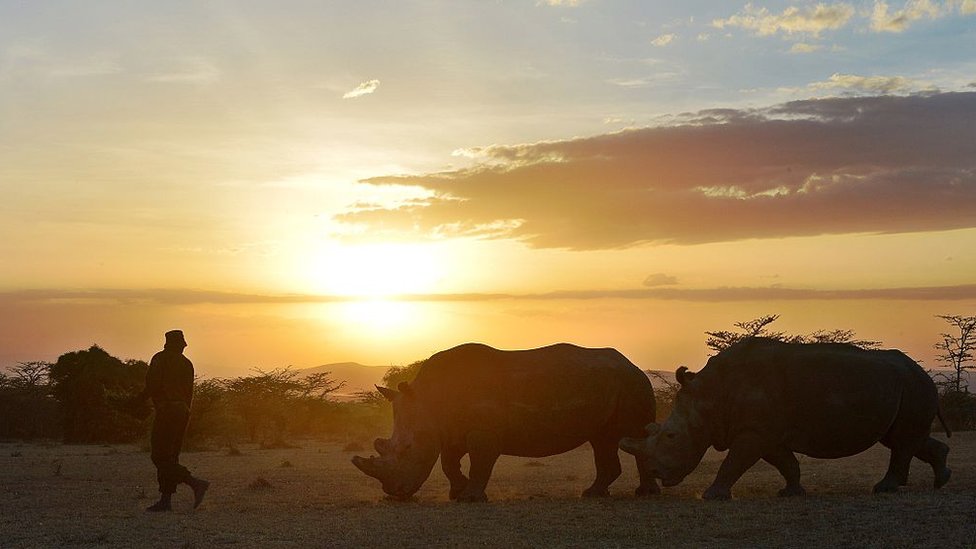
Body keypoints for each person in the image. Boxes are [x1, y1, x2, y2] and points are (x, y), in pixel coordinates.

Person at [133, 329, 209, 511]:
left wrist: (134, 402)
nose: (185, 346)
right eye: (183, 343)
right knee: (171, 456)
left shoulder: (160, 359)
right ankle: (166, 500)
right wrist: (186, 415)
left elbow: (151, 386)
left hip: (167, 411)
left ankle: (194, 482)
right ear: (179, 344)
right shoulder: (186, 363)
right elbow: (189, 393)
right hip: (182, 412)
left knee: (159, 456)